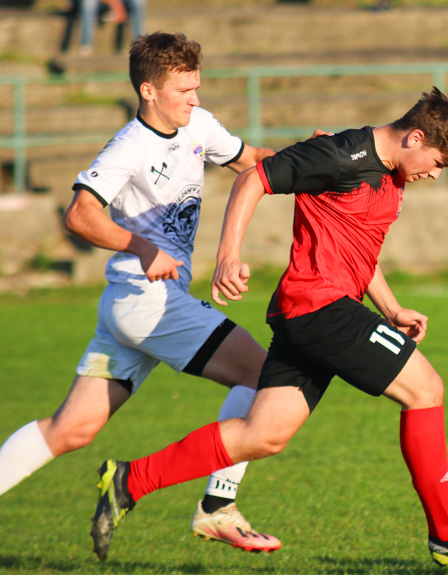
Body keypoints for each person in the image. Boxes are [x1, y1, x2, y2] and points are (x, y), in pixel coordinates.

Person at [89, 87, 448, 567]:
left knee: (265, 434)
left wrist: (392, 308)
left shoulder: (389, 175)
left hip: (316, 313)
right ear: (414, 137)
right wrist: (229, 256)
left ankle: (130, 480)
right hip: (320, 308)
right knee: (426, 389)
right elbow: (252, 179)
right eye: (437, 161)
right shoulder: (338, 154)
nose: (435, 174)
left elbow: (358, 248)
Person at [0, 32, 282, 557]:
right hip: (145, 298)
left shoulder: (198, 124)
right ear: (149, 90)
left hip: (130, 308)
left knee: (70, 429)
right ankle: (218, 509)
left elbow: (253, 160)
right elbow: (81, 214)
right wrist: (143, 247)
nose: (194, 98)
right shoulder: (128, 145)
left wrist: (323, 156)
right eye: (183, 90)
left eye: (197, 87)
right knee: (261, 373)